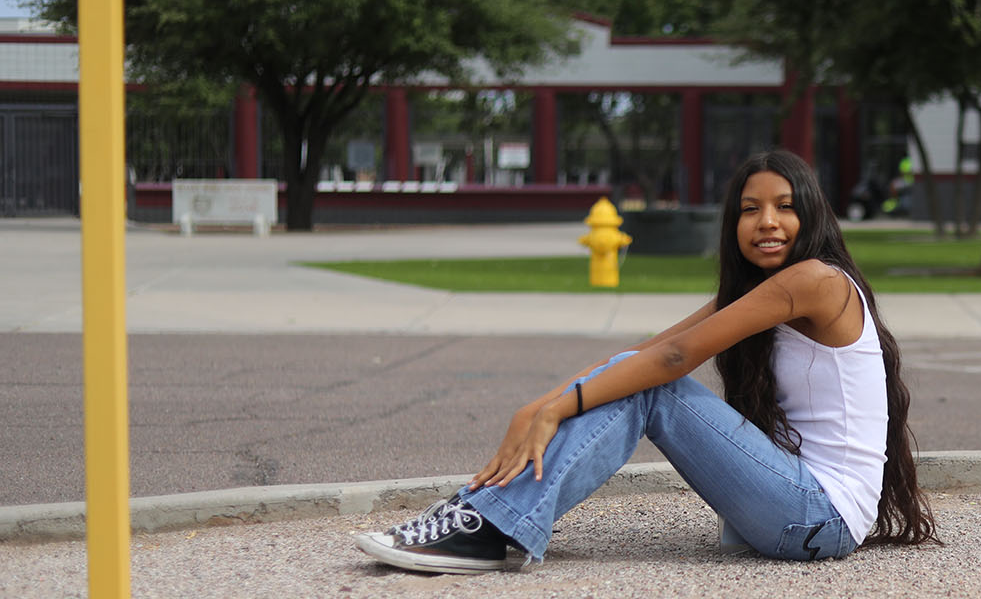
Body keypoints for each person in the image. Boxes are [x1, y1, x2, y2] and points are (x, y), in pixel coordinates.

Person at [355, 150, 937, 574]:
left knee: (657, 388)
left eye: (785, 207)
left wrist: (558, 406)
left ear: (811, 216)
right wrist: (540, 406)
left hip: (817, 516)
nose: (767, 222)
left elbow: (675, 360)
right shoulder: (763, 291)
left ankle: (493, 526)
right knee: (639, 374)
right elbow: (645, 353)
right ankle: (483, 510)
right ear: (731, 223)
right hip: (797, 507)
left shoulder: (813, 282)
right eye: (750, 209)